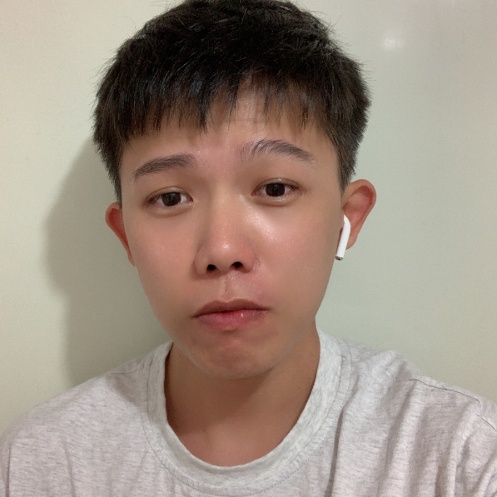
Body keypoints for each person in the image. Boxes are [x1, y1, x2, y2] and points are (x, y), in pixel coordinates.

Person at [1, 0, 496, 495]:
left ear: (348, 216)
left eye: (275, 188)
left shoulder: (457, 456)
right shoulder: (44, 462)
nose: (222, 250)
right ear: (126, 235)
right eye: (170, 198)